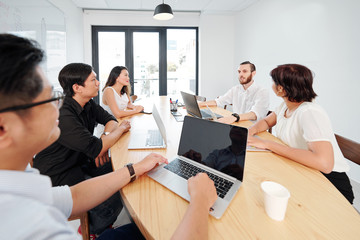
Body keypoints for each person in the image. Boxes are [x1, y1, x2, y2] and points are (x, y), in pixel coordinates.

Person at [0, 34, 217, 239]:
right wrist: (200, 200)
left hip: (77, 165)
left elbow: (73, 196)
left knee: (123, 176)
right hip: (65, 170)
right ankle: (97, 226)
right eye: (49, 99)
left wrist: (134, 168)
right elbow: (101, 141)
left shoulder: (22, 183)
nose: (56, 106)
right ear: (3, 128)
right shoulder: (31, 226)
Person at [33, 62, 130, 236]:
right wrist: (118, 132)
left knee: (121, 169)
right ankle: (93, 229)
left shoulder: (88, 103)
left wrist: (104, 137)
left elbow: (110, 120)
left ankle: (102, 220)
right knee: (117, 187)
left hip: (81, 161)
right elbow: (97, 146)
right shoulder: (64, 113)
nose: (99, 83)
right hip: (58, 172)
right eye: (94, 80)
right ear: (77, 88)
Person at [247, 64, 354, 204]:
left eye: (274, 81)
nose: (272, 85)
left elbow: (325, 163)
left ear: (281, 89)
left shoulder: (309, 112)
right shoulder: (285, 105)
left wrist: (267, 144)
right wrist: (249, 131)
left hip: (329, 183)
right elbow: (267, 122)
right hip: (303, 169)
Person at [199, 61, 269, 124]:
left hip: (252, 130)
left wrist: (234, 117)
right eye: (239, 72)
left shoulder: (262, 91)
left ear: (253, 73)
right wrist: (199, 104)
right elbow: (218, 101)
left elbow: (255, 114)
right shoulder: (236, 89)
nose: (241, 74)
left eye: (244, 71)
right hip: (236, 125)